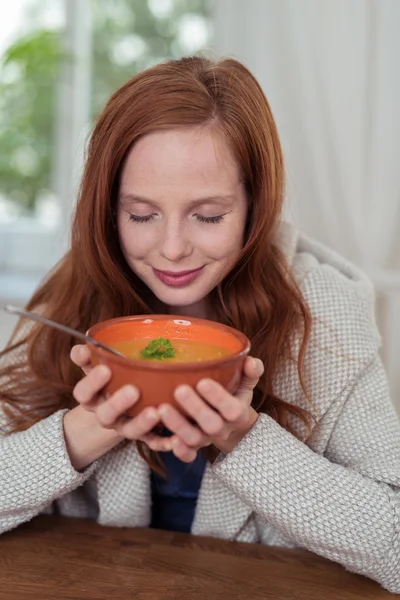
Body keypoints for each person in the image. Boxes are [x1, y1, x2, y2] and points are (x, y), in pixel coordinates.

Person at [0, 56, 399, 593]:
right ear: (107, 209)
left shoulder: (324, 314)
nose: (171, 248)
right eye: (140, 214)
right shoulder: (77, 292)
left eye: (208, 216)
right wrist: (83, 433)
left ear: (256, 207)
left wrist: (244, 440)